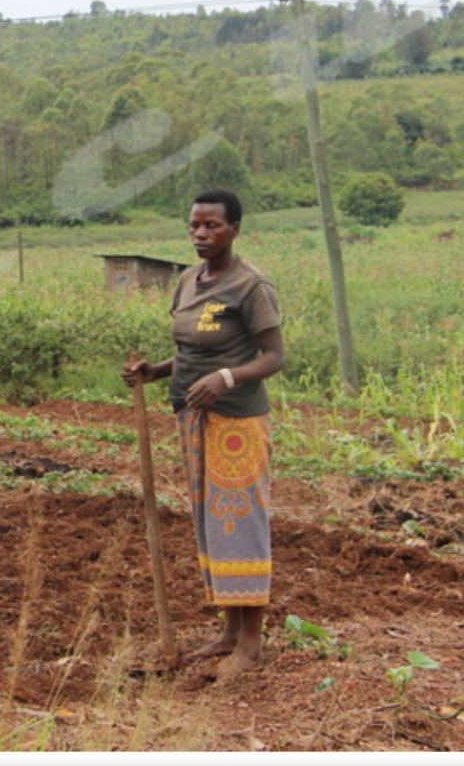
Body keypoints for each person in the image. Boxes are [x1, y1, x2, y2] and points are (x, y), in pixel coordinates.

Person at [122, 189, 285, 681]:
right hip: (192, 417)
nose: (200, 234)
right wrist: (156, 371)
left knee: (239, 521)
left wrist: (227, 379)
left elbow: (274, 356)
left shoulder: (251, 286)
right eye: (194, 225)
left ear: (235, 228)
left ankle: (251, 645)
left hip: (235, 420)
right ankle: (230, 633)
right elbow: (193, 351)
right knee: (212, 523)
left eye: (212, 226)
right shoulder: (190, 280)